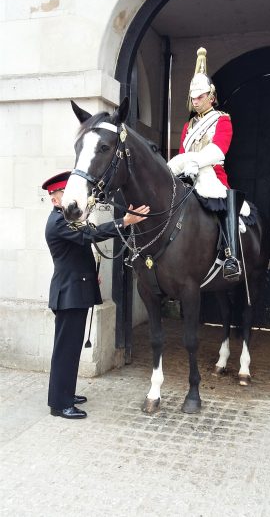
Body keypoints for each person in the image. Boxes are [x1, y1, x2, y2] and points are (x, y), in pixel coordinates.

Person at [42, 170, 150, 419]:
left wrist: (92, 274)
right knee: (65, 350)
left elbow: (78, 250)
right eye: (63, 194)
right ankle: (60, 404)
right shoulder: (58, 222)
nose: (70, 198)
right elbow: (89, 236)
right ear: (55, 199)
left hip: (75, 291)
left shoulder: (66, 219)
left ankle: (65, 393)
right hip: (69, 295)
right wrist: (124, 222)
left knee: (70, 349)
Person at [168, 47, 247, 280]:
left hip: (211, 174)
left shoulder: (222, 120)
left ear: (211, 96)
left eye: (200, 97)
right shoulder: (188, 126)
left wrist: (192, 161)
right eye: (193, 98)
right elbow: (183, 152)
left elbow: (218, 150)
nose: (196, 101)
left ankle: (230, 256)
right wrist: (178, 166)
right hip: (188, 174)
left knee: (222, 206)